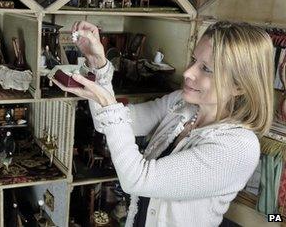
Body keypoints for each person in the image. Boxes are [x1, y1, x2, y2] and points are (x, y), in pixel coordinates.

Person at [52, 21, 274, 226]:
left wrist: (108, 103)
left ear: (239, 86)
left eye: (206, 69)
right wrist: (97, 65)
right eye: (194, 61)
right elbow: (108, 124)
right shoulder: (181, 104)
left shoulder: (238, 147)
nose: (188, 72)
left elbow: (136, 179)